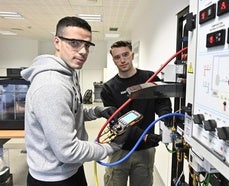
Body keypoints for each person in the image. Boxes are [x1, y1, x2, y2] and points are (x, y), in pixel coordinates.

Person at [21, 16, 128, 186]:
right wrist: (110, 147)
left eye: (87, 45)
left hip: (70, 170)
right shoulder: (51, 84)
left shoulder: (69, 73)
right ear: (57, 42)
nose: (83, 51)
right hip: (54, 178)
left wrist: (96, 112)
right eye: (74, 43)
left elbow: (70, 111)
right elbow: (68, 151)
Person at [100, 40, 172, 186]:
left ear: (132, 55)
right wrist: (143, 136)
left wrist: (166, 116)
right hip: (119, 149)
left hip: (144, 151)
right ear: (113, 60)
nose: (122, 60)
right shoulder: (108, 88)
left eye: (125, 55)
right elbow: (117, 121)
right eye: (117, 57)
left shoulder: (149, 78)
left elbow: (161, 100)